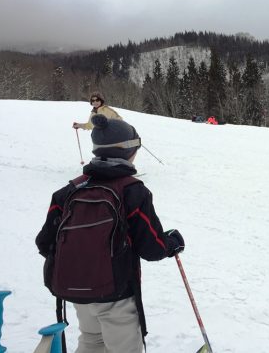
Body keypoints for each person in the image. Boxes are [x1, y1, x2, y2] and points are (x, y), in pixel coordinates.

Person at [36, 114, 185, 353]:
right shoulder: (133, 191)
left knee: (91, 340)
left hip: (76, 291)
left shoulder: (69, 190)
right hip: (117, 292)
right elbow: (152, 248)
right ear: (128, 152)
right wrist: (172, 243)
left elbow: (44, 243)